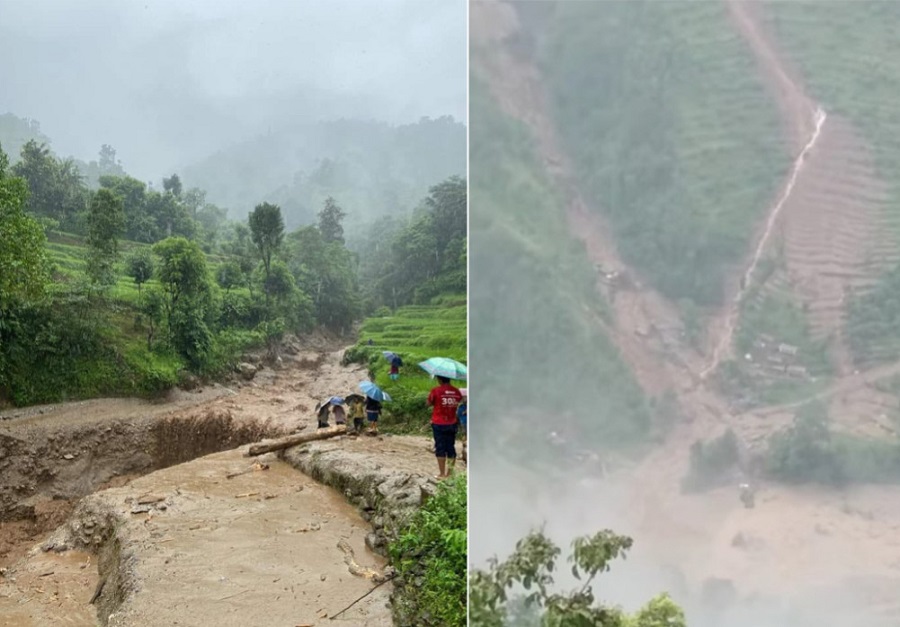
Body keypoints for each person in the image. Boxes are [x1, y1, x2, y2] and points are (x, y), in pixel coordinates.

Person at [427, 375, 463, 479]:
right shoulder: (456, 391)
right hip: (452, 423)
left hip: (439, 423)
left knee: (440, 447)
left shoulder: (436, 390)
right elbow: (458, 401)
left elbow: (428, 403)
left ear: (440, 379)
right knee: (451, 447)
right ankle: (450, 474)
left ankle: (442, 473)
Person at [457, 389, 468, 462]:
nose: (464, 398)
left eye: (465, 397)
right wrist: (465, 412)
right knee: (464, 437)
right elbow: (458, 414)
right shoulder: (461, 407)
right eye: (463, 397)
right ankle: (463, 454)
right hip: (463, 423)